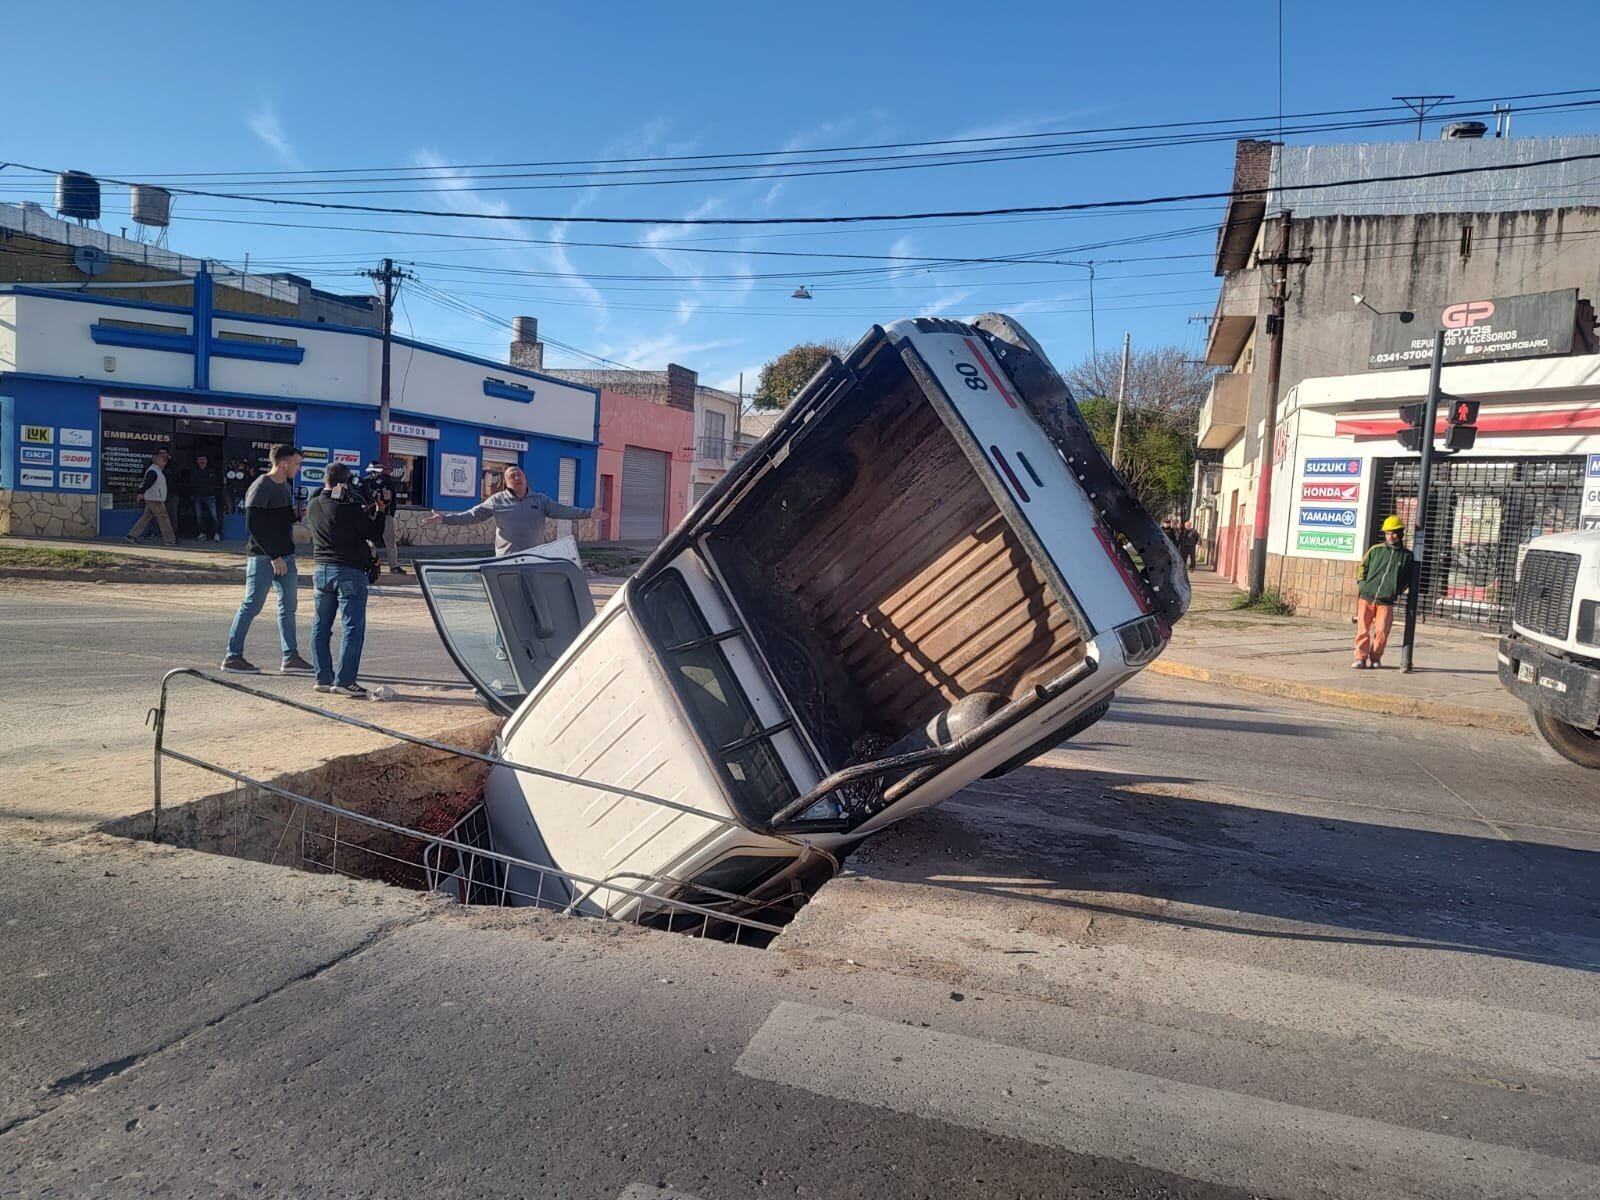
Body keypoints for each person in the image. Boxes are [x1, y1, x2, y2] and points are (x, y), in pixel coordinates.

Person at [223, 444, 311, 675]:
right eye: (297, 464)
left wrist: (295, 515)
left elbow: (278, 521)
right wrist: (274, 557)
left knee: (288, 607)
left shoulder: (284, 487)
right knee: (251, 605)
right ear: (284, 463)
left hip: (286, 556)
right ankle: (233, 656)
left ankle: (290, 657)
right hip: (264, 557)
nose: (299, 469)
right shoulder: (261, 486)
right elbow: (254, 525)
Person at [306, 462, 387, 699]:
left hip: (321, 570)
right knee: (352, 627)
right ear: (344, 483)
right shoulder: (349, 509)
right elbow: (373, 534)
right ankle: (345, 680)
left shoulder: (313, 506)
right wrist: (379, 511)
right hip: (349, 571)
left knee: (321, 626)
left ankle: (323, 677)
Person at [420, 465, 601, 556]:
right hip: (506, 559)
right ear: (506, 483)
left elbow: (563, 510)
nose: (517, 477)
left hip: (534, 558)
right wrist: (445, 519)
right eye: (512, 476)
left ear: (525, 478)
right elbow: (472, 516)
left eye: (519, 474)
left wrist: (588, 513)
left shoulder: (540, 500)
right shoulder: (497, 501)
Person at [1353, 515, 1415, 670]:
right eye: (1387, 533)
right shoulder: (1376, 550)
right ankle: (1360, 658)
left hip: (1386, 600)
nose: (1390, 536)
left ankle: (1375, 658)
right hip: (1367, 597)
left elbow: (1408, 578)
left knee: (1382, 631)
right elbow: (1362, 567)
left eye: (1394, 533)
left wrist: (1397, 590)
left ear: (1400, 534)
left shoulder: (1407, 556)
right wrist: (1362, 584)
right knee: (1363, 629)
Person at [125, 448, 176, 546]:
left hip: (152, 498)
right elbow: (148, 483)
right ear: (157, 461)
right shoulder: (154, 471)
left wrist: (142, 492)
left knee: (146, 518)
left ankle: (131, 535)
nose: (164, 463)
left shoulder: (155, 470)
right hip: (155, 498)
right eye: (163, 461)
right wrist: (141, 492)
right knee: (163, 518)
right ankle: (170, 540)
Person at [190, 453, 223, 542]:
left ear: (207, 461)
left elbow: (213, 480)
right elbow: (193, 482)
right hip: (197, 496)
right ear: (197, 461)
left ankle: (216, 533)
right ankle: (202, 534)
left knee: (214, 516)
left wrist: (201, 480)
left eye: (204, 459)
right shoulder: (194, 471)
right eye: (200, 459)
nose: (202, 461)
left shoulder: (211, 470)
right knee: (199, 516)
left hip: (210, 496)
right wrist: (205, 480)